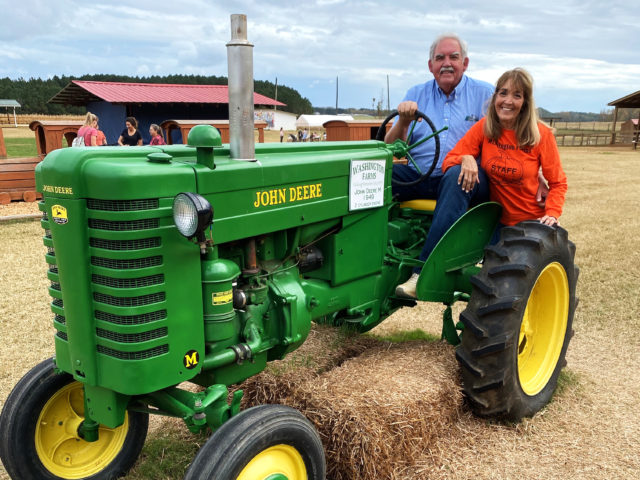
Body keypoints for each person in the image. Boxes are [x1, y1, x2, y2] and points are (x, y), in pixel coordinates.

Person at [386, 33, 494, 297]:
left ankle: (421, 273)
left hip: (467, 180)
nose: (447, 63)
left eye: (453, 57)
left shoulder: (485, 95)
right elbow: (390, 146)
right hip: (420, 177)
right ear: (430, 65)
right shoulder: (416, 94)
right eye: (440, 58)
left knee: (456, 175)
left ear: (465, 63)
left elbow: (507, 139)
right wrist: (403, 121)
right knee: (379, 175)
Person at [442, 68, 567, 228]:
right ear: (495, 98)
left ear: (524, 103)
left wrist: (552, 213)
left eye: (517, 95)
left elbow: (558, 182)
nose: (508, 101)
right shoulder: (484, 127)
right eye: (503, 93)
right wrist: (465, 158)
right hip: (495, 221)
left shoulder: (541, 134)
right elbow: (449, 162)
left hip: (529, 222)